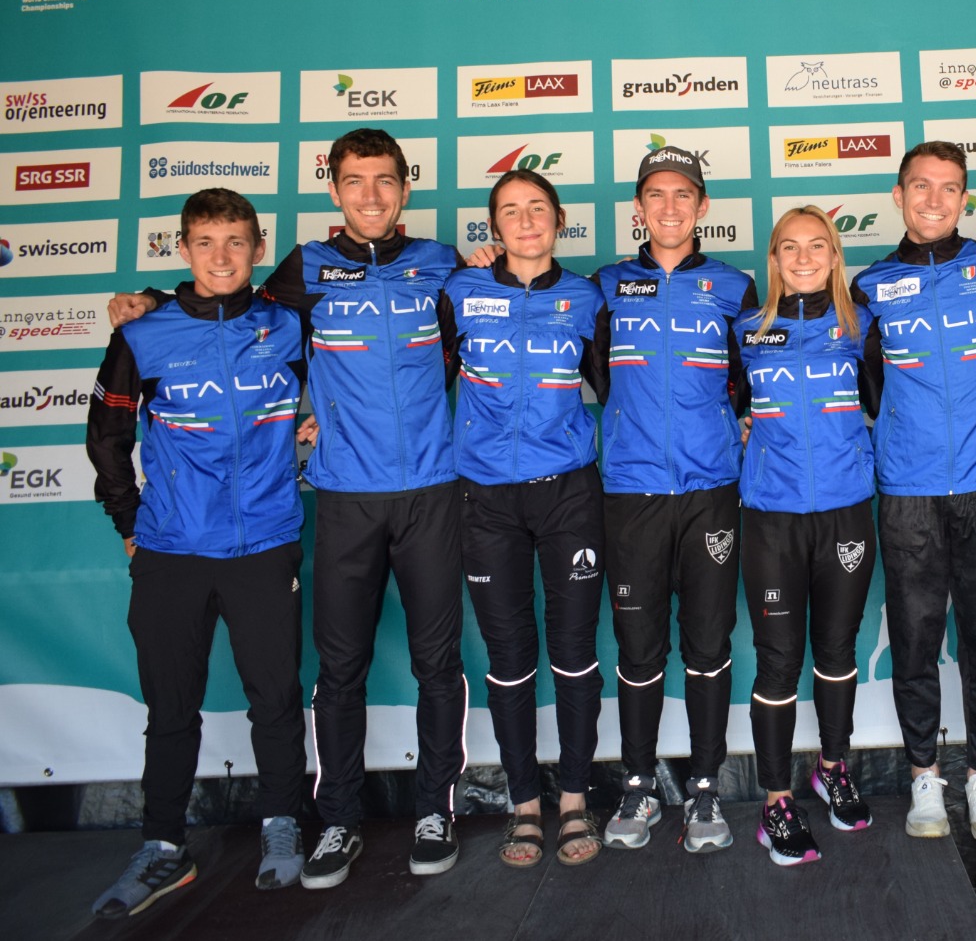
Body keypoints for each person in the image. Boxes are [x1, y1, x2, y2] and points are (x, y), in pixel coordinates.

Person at [109, 129, 468, 887]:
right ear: (333, 189)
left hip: (432, 492)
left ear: (405, 186)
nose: (370, 195)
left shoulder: (442, 263)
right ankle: (336, 819)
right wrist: (151, 300)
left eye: (384, 180)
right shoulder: (303, 268)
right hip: (343, 497)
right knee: (338, 670)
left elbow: (497, 316)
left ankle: (435, 809)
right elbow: (222, 303)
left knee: (438, 664)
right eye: (354, 180)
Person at [87, 189, 308, 915]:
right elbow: (108, 436)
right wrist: (129, 521)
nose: (222, 256)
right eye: (206, 242)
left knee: (275, 697)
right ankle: (162, 846)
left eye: (236, 241)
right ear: (183, 249)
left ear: (258, 247)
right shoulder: (143, 334)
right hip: (172, 548)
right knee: (171, 705)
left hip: (266, 542)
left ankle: (282, 824)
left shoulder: (289, 320)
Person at [851, 140, 976, 841]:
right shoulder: (870, 284)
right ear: (899, 195)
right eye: (920, 186)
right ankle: (924, 776)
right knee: (916, 640)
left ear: (964, 197)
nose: (934, 199)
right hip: (909, 488)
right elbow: (867, 383)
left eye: (949, 187)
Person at [594, 147, 757, 852]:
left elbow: (751, 377)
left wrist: (727, 423)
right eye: (655, 195)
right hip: (631, 492)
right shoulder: (604, 286)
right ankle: (637, 784)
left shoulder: (735, 287)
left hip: (710, 491)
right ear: (638, 207)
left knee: (708, 643)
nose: (669, 207)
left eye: (683, 194)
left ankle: (705, 787)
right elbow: (594, 373)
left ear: (702, 206)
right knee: (639, 647)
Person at [443, 170, 606, 868]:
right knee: (508, 658)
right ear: (494, 228)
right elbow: (411, 377)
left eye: (538, 207)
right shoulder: (459, 290)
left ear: (559, 219)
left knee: (573, 652)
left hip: (568, 492)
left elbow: (624, 387)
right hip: (486, 498)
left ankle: (574, 799)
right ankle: (524, 805)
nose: (526, 219)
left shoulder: (589, 297)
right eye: (510, 210)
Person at [730, 206, 877, 866]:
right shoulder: (745, 330)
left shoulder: (862, 325)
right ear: (773, 259)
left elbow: (894, 398)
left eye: (817, 245)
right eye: (789, 247)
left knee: (837, 649)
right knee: (778, 660)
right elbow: (718, 405)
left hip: (845, 512)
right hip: (772, 516)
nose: (804, 257)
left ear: (835, 255)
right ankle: (776, 800)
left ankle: (833, 767)